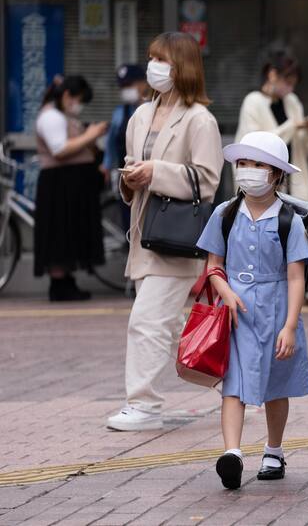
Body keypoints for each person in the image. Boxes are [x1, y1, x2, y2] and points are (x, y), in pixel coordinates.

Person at [106, 32, 223, 432]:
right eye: (151, 57)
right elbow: (131, 168)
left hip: (176, 239)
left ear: (182, 67)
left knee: (148, 321)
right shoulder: (140, 115)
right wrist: (130, 179)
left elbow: (207, 180)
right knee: (170, 325)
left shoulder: (200, 120)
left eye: (162, 60)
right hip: (144, 234)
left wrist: (155, 172)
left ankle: (144, 404)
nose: (154, 66)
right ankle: (234, 382)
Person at [197, 131, 308, 490]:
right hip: (235, 314)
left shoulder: (289, 220)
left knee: (276, 384)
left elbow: (296, 277)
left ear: (277, 174)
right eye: (243, 164)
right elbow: (212, 265)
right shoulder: (225, 213)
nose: (249, 171)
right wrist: (225, 291)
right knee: (233, 383)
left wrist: (291, 325)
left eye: (258, 165)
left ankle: (273, 450)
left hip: (277, 308)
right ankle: (232, 453)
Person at [234, 52, 308, 304]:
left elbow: (306, 147)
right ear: (272, 74)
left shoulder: (292, 101)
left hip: (291, 177)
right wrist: (293, 125)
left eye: (293, 82)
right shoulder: (253, 102)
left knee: (300, 229)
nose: (289, 87)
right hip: (262, 180)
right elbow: (257, 143)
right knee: (266, 231)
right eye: (287, 80)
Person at [34, 75, 108, 301]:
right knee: (60, 233)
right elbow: (59, 149)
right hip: (60, 186)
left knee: (69, 232)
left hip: (71, 185)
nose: (80, 104)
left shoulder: (62, 115)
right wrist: (91, 135)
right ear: (67, 96)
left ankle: (67, 281)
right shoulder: (51, 117)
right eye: (79, 99)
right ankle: (60, 284)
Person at [100, 64, 148, 231]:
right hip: (127, 172)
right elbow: (111, 141)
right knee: (128, 219)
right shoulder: (120, 112)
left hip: (149, 172)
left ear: (143, 83)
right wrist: (107, 165)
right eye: (123, 87)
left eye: (130, 85)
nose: (126, 90)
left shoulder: (154, 108)